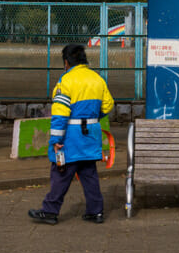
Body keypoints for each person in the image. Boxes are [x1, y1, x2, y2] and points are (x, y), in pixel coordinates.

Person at [28, 43, 115, 225]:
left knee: (61, 173)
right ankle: (95, 211)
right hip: (91, 133)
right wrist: (92, 118)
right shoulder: (97, 79)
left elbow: (60, 115)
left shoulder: (65, 81)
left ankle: (50, 211)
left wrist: (56, 139)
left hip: (70, 136)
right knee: (89, 173)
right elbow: (108, 105)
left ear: (66, 62)